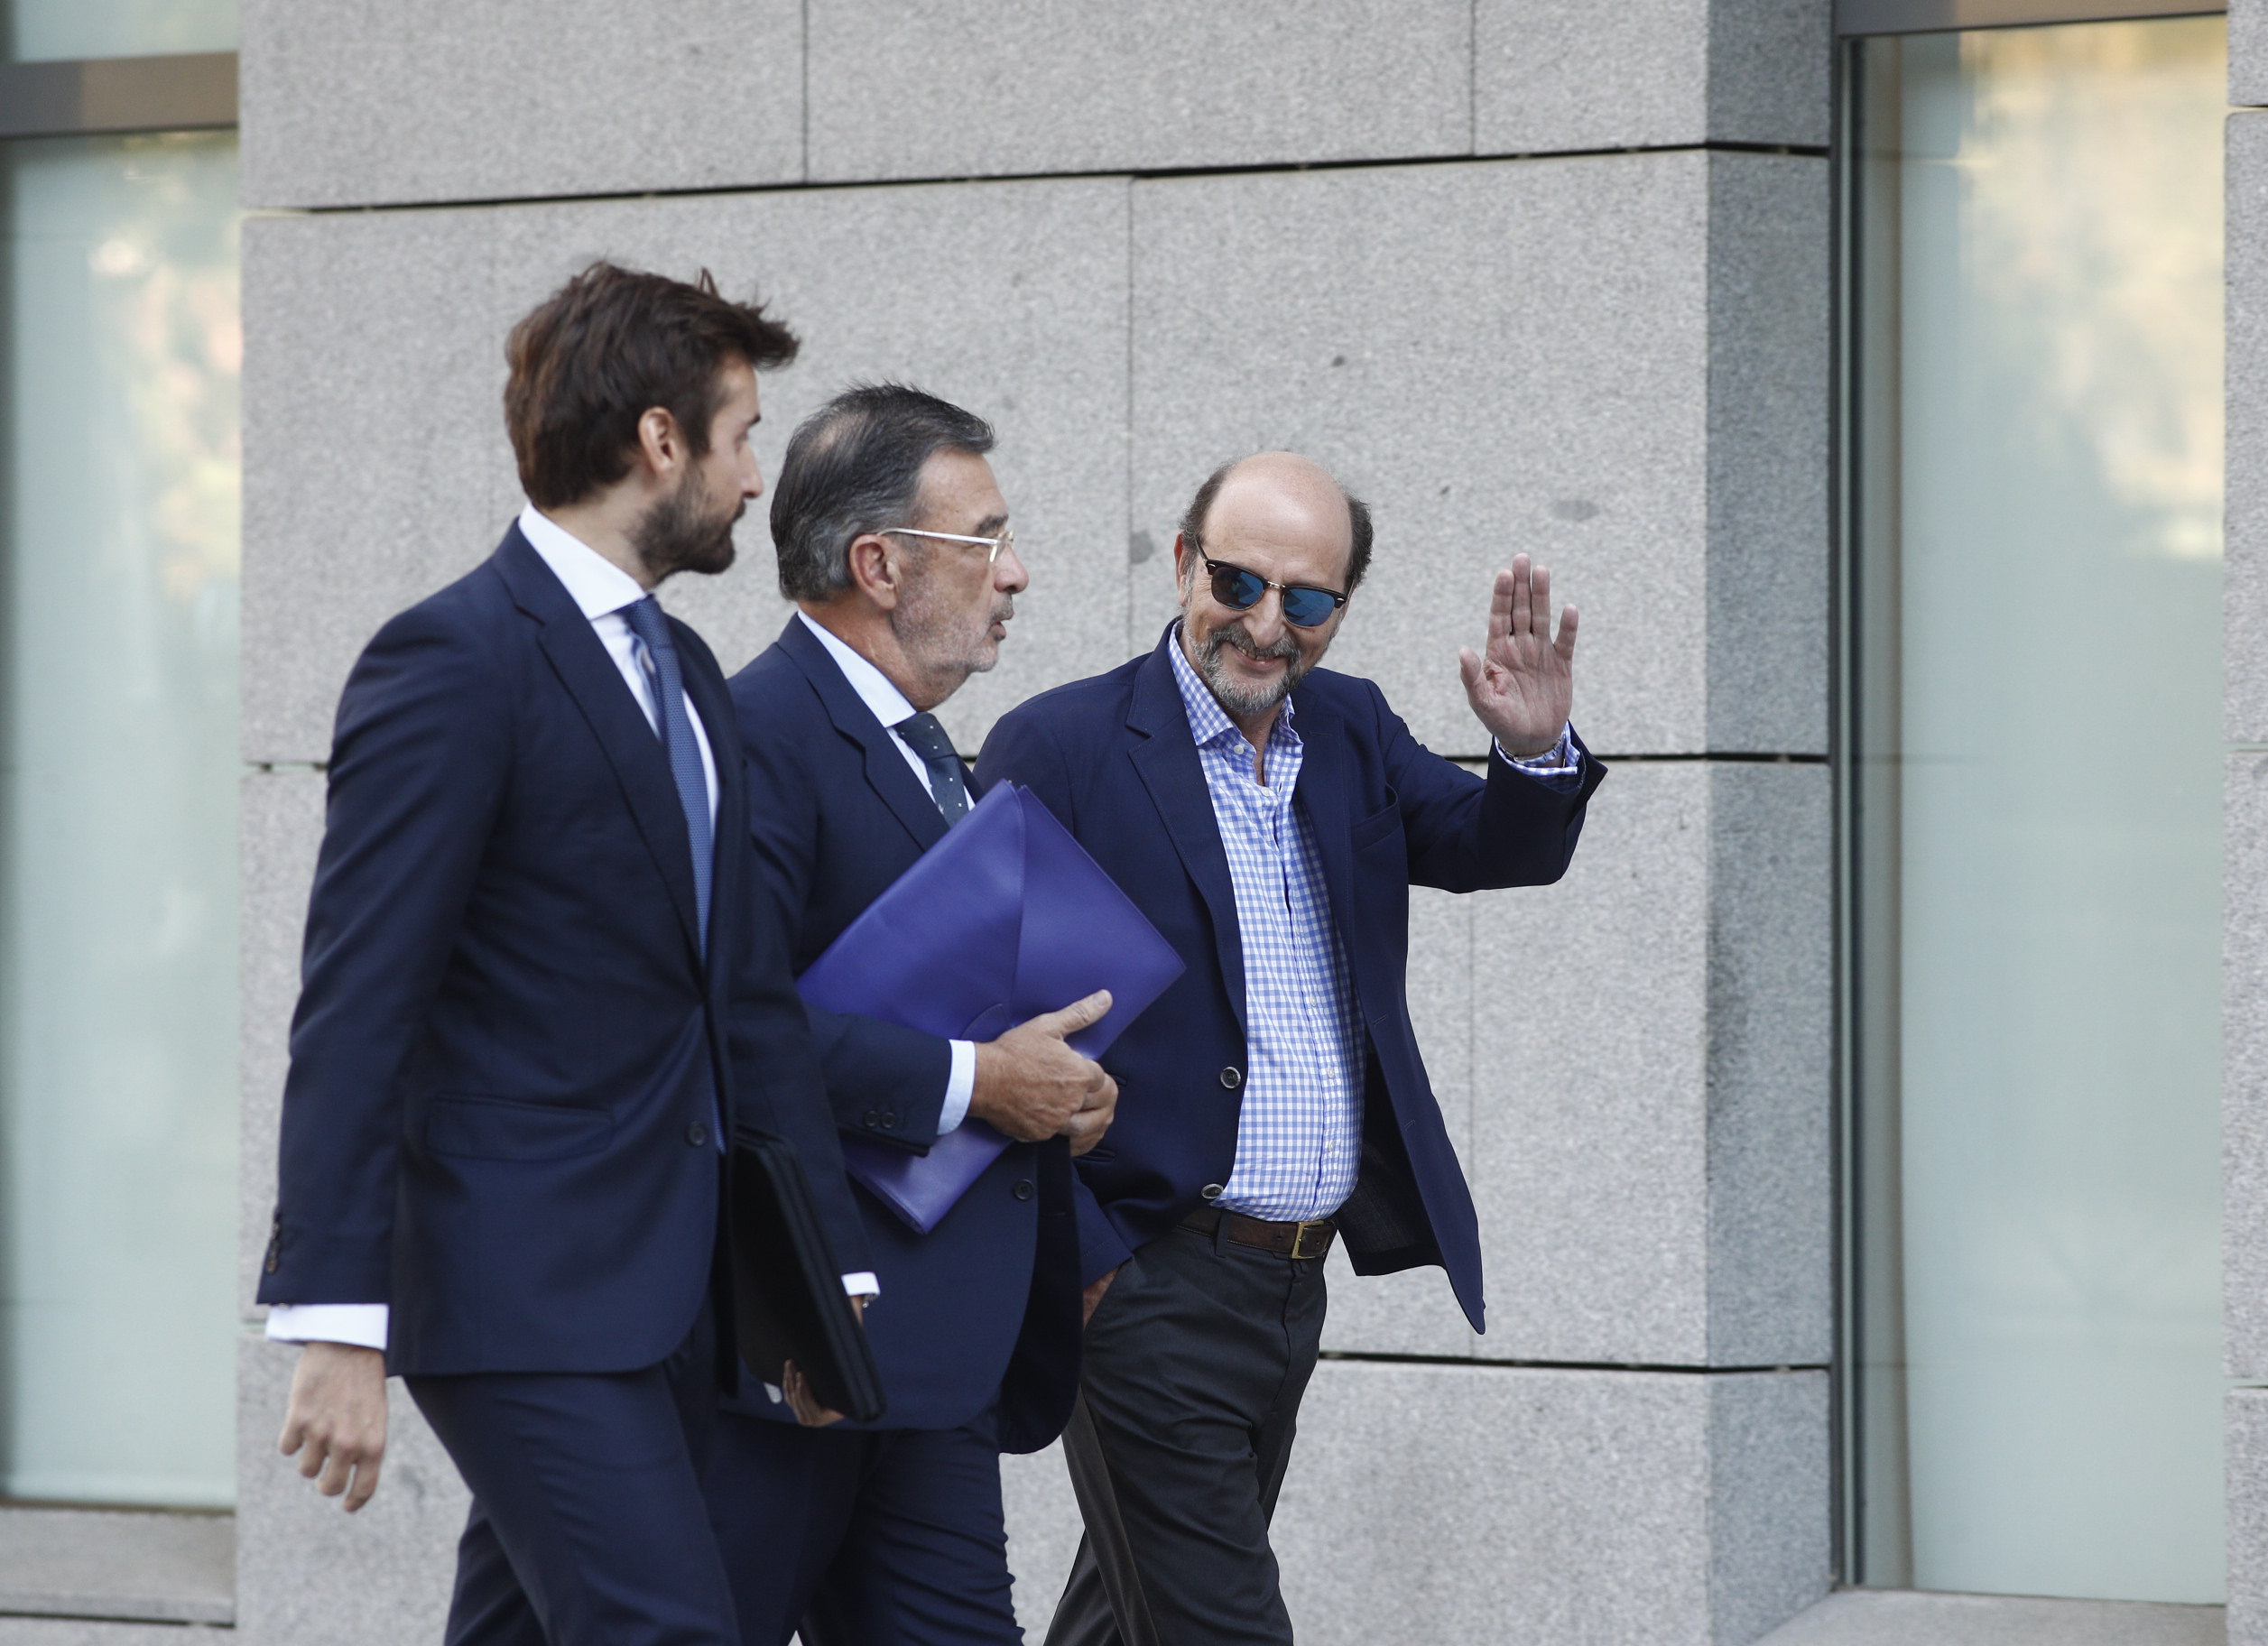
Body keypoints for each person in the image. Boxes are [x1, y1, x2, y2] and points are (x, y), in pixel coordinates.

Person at [256, 261, 873, 1646]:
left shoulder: (694, 680)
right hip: (518, 1288)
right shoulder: (454, 661)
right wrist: (336, 1317)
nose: (756, 478)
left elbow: (748, 1008)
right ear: (661, 440)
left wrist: (816, 1286)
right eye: (743, 434)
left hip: (675, 1292)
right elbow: (359, 1004)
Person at [975, 450, 1606, 1646]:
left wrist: (1530, 753)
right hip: (1143, 1283)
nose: (1267, 625)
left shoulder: (1352, 728)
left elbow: (1494, 848)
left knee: (1132, 1618)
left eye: (1307, 600)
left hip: (1289, 1286)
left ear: (1341, 610)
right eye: (1238, 581)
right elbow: (979, 1023)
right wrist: (1093, 1268)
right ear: (1180, 564)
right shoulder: (1059, 749)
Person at [708, 383, 1115, 1646]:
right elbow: (728, 1021)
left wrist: (1060, 1100)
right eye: (984, 539)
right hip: (789, 1346)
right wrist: (975, 1083)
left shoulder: (935, 753)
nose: (1018, 574)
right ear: (878, 565)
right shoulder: (757, 732)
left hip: (930, 1363)